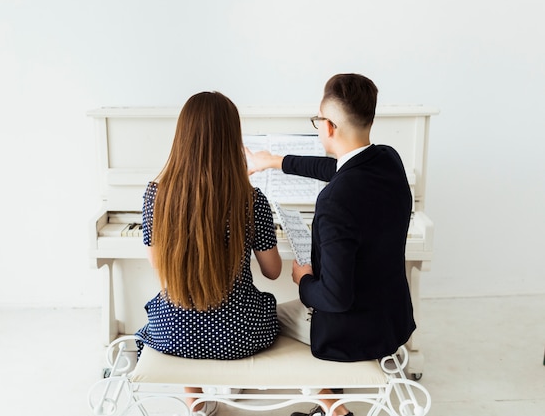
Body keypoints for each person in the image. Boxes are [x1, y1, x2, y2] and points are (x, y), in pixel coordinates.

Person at [246, 74, 416, 416]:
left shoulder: (335, 200)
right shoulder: (388, 160)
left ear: (330, 127)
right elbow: (336, 168)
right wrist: (273, 161)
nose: (317, 126)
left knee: (267, 318)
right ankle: (330, 402)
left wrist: (304, 280)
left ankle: (333, 407)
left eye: (318, 120)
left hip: (351, 330)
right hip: (391, 319)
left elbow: (335, 298)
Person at [136, 91, 282, 416]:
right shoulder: (251, 199)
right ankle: (228, 374)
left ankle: (195, 401)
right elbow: (273, 271)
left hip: (173, 334)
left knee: (173, 304)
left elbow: (160, 269)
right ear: (232, 139)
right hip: (240, 334)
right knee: (264, 307)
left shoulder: (154, 196)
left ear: (182, 136)